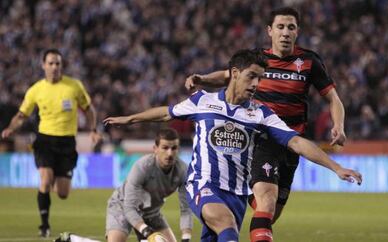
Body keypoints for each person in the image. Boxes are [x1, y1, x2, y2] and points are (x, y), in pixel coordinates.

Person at [104, 49, 362, 242]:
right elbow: (166, 113)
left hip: (237, 194)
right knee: (227, 229)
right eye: (251, 77)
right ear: (235, 74)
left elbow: (295, 141)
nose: (256, 85)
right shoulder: (202, 101)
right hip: (203, 185)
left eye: (259, 79)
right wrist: (130, 119)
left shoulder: (261, 113)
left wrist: (335, 167)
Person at [185, 7, 347, 241]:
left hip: (292, 144)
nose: (285, 32)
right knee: (267, 202)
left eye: (290, 27)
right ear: (270, 31)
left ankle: (239, 198)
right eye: (280, 27)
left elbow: (333, 98)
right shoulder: (259, 60)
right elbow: (228, 75)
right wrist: (203, 79)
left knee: (271, 213)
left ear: (297, 31)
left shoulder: (309, 61)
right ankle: (236, 205)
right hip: (262, 139)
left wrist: (339, 125)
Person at [0, 49, 100, 237]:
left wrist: (93, 130)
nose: (54, 67)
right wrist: (12, 128)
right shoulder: (36, 90)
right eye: (51, 63)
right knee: (45, 181)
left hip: (67, 143)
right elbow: (22, 115)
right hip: (45, 140)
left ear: (61, 66)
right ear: (43, 65)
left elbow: (89, 109)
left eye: (58, 63)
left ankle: (54, 177)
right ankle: (44, 225)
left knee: (62, 193)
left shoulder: (74, 86)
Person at [105, 128, 193, 242]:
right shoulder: (142, 167)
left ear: (178, 149)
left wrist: (186, 238)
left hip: (152, 212)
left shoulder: (183, 171)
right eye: (165, 148)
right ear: (155, 149)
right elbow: (129, 208)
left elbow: (186, 209)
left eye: (174, 148)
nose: (170, 153)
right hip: (122, 206)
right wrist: (147, 231)